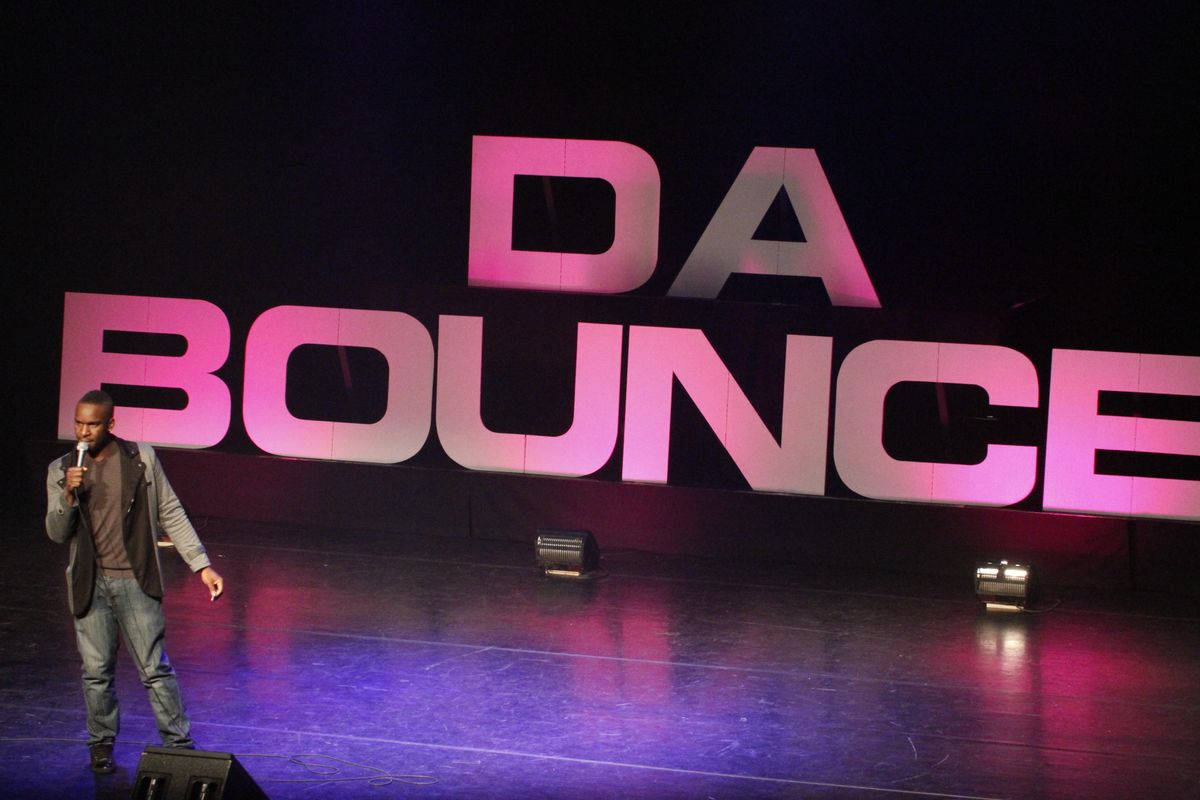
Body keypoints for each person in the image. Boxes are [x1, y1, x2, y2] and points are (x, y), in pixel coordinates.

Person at [45, 389, 225, 774]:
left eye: (93, 424)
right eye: (79, 423)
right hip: (90, 585)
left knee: (154, 669)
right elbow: (57, 533)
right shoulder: (61, 469)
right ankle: (101, 745)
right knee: (96, 673)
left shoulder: (140, 458)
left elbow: (170, 510)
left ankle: (179, 745)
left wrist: (201, 565)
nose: (84, 431)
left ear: (110, 424)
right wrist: (68, 496)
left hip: (135, 581)